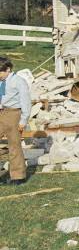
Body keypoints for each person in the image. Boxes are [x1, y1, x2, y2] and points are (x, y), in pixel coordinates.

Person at [0, 57, 30, 185]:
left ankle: (18, 176)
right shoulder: (1, 81)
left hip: (14, 114)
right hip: (2, 113)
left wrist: (23, 120)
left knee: (14, 145)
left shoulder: (19, 81)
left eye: (0, 72)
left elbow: (26, 101)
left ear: (8, 69)